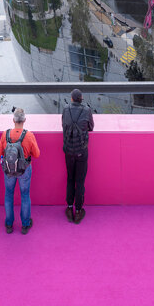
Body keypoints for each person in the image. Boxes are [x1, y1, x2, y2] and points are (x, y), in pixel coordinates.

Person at [0, 108, 40, 234]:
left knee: (8, 195)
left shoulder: (6, 134)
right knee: (25, 196)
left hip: (9, 170)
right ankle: (25, 224)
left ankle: (9, 224)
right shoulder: (29, 135)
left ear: (13, 120)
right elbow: (37, 154)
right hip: (24, 170)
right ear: (24, 120)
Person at [62, 88, 94, 223]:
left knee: (70, 178)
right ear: (81, 99)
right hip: (82, 150)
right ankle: (79, 210)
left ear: (71, 99)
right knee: (80, 181)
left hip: (69, 150)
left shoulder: (65, 109)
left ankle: (69, 208)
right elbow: (91, 127)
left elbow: (64, 125)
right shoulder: (86, 110)